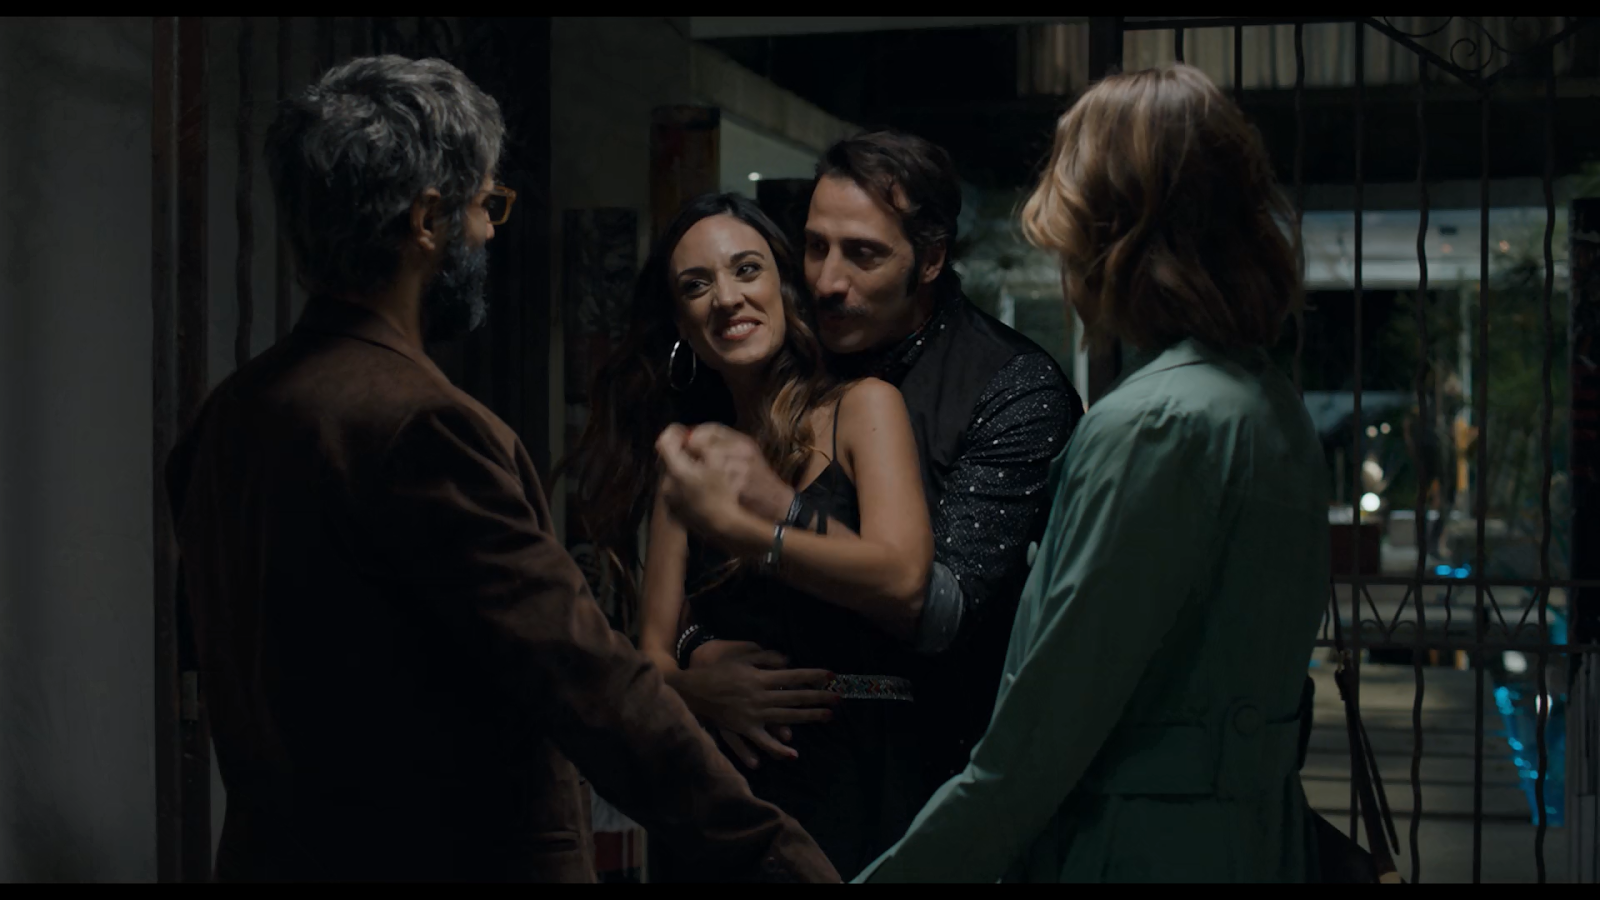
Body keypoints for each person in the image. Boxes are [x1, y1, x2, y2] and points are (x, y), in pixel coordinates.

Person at [163, 55, 838, 884]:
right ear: (427, 220)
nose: (490, 231)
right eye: (487, 205)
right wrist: (785, 862)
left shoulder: (224, 419)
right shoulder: (424, 426)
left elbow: (216, 672)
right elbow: (590, 683)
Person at [854, 63, 1330, 884]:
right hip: (1252, 841)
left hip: (1131, 850)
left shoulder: (1153, 424)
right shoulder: (1268, 406)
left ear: (1114, 236)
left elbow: (1037, 745)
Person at [669, 130, 1085, 801]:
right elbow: (691, 559)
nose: (827, 282)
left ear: (931, 258)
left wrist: (779, 516)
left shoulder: (1011, 387)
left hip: (937, 775)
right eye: (815, 247)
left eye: (863, 254)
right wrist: (695, 653)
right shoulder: (787, 343)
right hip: (761, 768)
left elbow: (940, 611)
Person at [562, 192, 932, 880]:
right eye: (696, 286)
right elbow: (652, 658)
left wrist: (748, 529)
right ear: (681, 323)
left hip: (864, 775)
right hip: (725, 795)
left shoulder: (862, 407)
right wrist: (701, 690)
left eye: (746, 269)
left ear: (785, 287)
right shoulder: (689, 455)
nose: (727, 298)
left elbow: (903, 579)